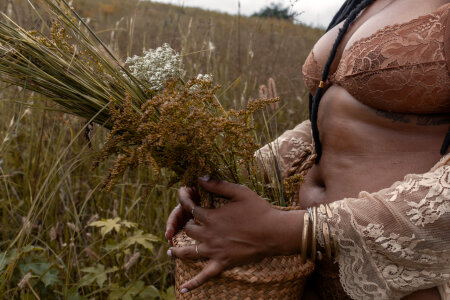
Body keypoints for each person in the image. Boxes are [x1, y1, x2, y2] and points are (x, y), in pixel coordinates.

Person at [165, 0, 450, 298]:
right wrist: (230, 182)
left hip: (397, 277)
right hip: (309, 269)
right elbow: (330, 121)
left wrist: (295, 230)